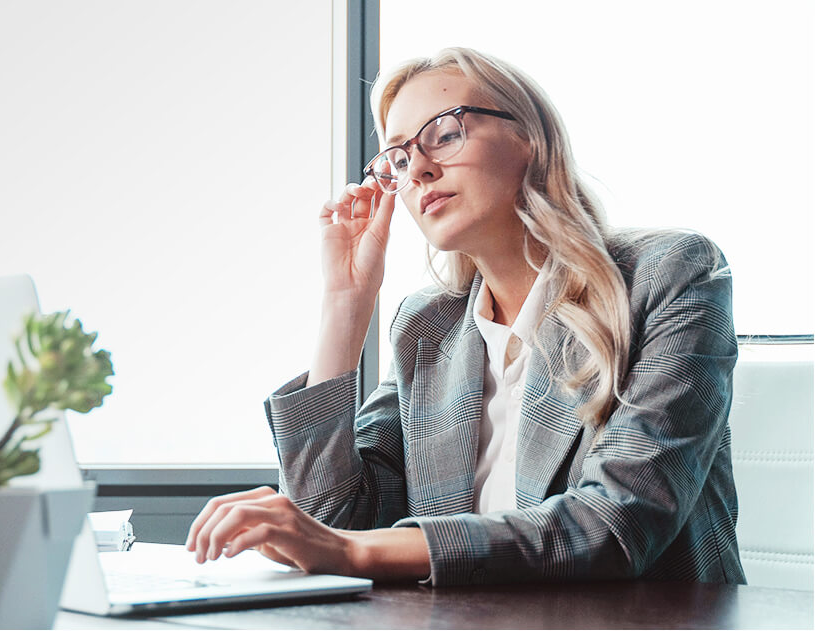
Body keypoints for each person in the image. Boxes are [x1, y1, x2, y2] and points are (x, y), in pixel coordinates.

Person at [186, 47, 745, 586]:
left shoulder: (671, 274)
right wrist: (345, 305)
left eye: (446, 134)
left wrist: (351, 549)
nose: (420, 170)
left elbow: (615, 527)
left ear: (530, 137)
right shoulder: (428, 326)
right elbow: (335, 522)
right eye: (400, 159)